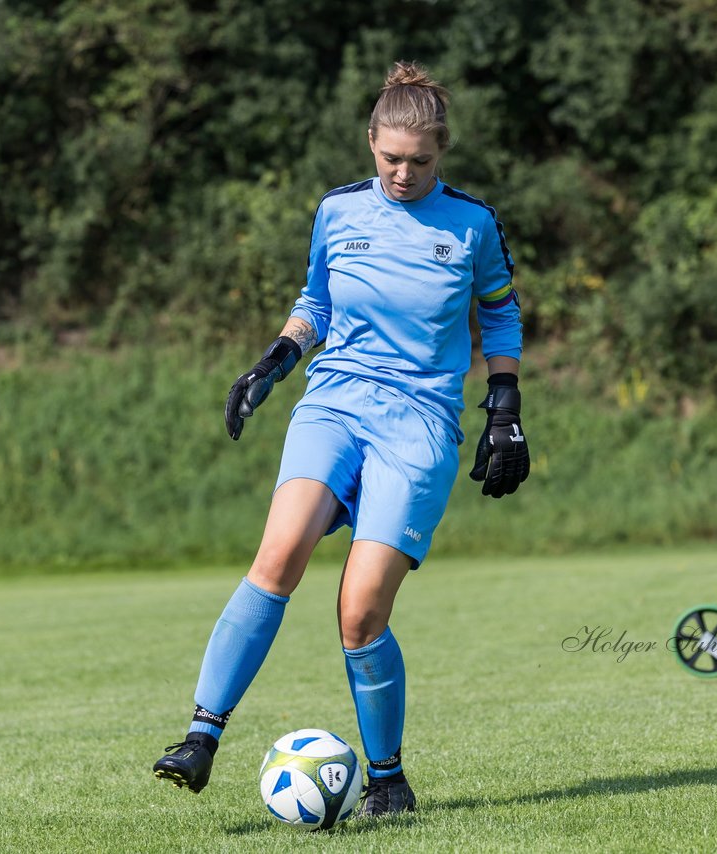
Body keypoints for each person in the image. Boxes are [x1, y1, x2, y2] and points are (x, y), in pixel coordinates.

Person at [152, 60, 529, 818]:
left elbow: (500, 312)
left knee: (359, 611)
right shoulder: (338, 211)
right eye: (390, 157)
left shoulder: (472, 224)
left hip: (419, 426)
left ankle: (388, 780)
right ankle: (200, 735)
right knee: (279, 553)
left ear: (441, 154)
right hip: (335, 404)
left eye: (420, 161)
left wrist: (504, 403)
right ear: (369, 143)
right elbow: (315, 301)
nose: (403, 173)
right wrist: (276, 359)